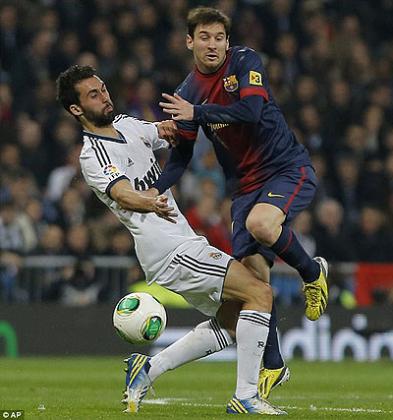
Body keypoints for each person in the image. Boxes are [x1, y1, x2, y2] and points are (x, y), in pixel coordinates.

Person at [56, 64, 287, 415]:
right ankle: (246, 397)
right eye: (92, 95)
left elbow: (161, 133)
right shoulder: (93, 154)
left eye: (102, 88)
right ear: (76, 109)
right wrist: (150, 200)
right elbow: (122, 194)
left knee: (234, 317)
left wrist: (172, 128)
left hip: (179, 242)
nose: (104, 96)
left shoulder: (126, 125)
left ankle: (147, 370)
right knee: (260, 292)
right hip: (169, 249)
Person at [154, 6, 329, 397]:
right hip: (245, 188)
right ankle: (274, 364)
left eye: (218, 37)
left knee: (262, 226)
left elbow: (250, 111)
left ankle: (311, 273)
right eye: (204, 37)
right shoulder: (187, 92)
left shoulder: (245, 60)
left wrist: (197, 113)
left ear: (227, 42)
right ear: (189, 41)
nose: (212, 44)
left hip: (284, 167)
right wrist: (156, 190)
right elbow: (182, 156)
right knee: (252, 282)